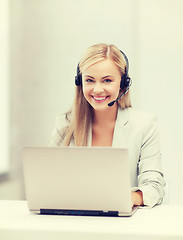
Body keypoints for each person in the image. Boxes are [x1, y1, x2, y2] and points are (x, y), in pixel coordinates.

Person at [49, 43, 165, 208]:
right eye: (89, 80)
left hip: (123, 222)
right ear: (80, 82)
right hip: (76, 219)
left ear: (123, 83)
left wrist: (130, 198)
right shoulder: (65, 125)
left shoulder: (144, 124)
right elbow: (49, 181)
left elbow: (154, 186)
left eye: (107, 80)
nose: (97, 89)